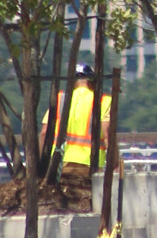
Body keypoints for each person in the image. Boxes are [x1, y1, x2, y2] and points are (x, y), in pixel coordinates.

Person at [41, 64, 111, 211]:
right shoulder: (103, 101)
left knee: (62, 206)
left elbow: (44, 133)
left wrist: (42, 164)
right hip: (90, 164)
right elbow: (107, 133)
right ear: (92, 81)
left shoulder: (60, 100)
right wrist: (114, 161)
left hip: (61, 163)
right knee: (90, 207)